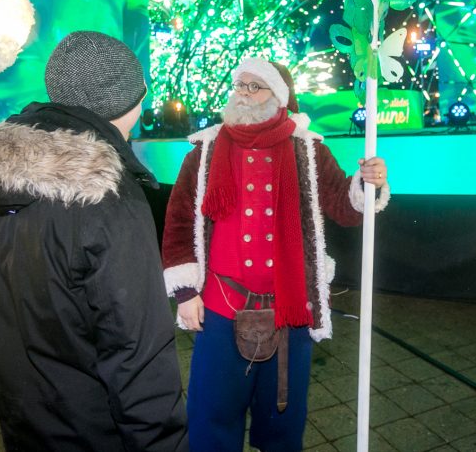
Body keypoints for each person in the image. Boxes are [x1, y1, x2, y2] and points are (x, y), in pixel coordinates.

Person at [0, 31, 188, 452]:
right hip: (96, 433)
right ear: (133, 101)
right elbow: (138, 355)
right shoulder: (108, 197)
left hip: (25, 425)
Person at [161, 57, 389, 451]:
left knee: (282, 428)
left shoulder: (308, 150)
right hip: (219, 309)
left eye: (255, 87)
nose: (245, 95)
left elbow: (344, 208)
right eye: (240, 86)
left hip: (290, 313)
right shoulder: (205, 152)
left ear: (279, 97)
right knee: (211, 422)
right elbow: (179, 221)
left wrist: (368, 184)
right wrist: (185, 292)